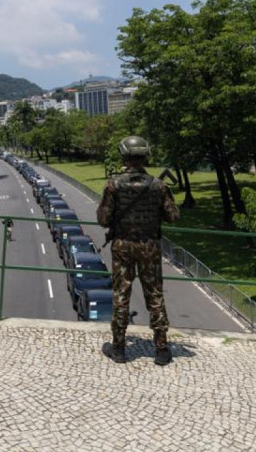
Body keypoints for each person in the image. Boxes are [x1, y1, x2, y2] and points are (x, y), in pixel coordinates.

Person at [97, 136, 179, 366]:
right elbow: (173, 216)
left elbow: (103, 219)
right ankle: (161, 348)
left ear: (124, 156)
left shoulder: (113, 185)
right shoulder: (159, 186)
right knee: (154, 294)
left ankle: (119, 348)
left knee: (121, 295)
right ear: (145, 156)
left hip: (123, 245)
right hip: (149, 245)